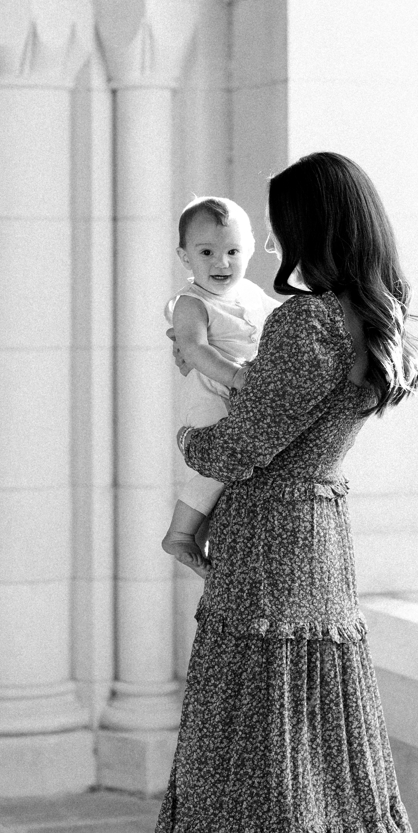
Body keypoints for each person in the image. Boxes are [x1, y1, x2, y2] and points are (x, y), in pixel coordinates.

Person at [115, 150, 418, 833]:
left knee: (272, 772)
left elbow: (242, 438)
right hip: (319, 537)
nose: (266, 243)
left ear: (311, 227)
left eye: (279, 223)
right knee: (316, 763)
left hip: (271, 546)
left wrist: (184, 436)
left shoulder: (306, 321)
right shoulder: (367, 320)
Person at [161, 196, 274, 578]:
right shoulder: (191, 303)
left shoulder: (253, 294)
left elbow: (283, 321)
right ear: (184, 256)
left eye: (232, 251)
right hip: (211, 396)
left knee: (229, 475)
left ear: (251, 250)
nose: (221, 263)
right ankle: (179, 533)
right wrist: (238, 377)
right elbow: (193, 347)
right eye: (206, 251)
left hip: (241, 400)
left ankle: (201, 537)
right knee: (221, 463)